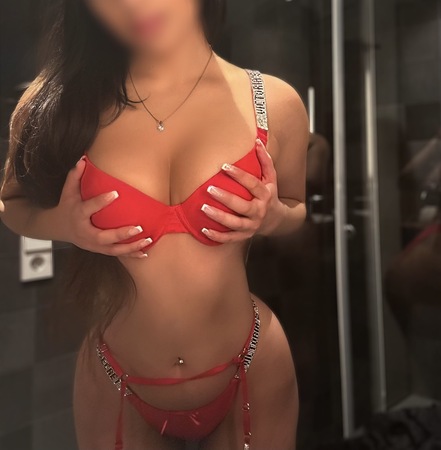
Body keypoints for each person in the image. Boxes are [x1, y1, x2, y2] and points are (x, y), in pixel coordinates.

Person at [0, 0, 308, 449]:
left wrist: (275, 215)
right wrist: (62, 225)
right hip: (116, 377)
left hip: (250, 364)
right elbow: (10, 203)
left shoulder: (274, 103)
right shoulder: (60, 101)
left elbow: (297, 207)